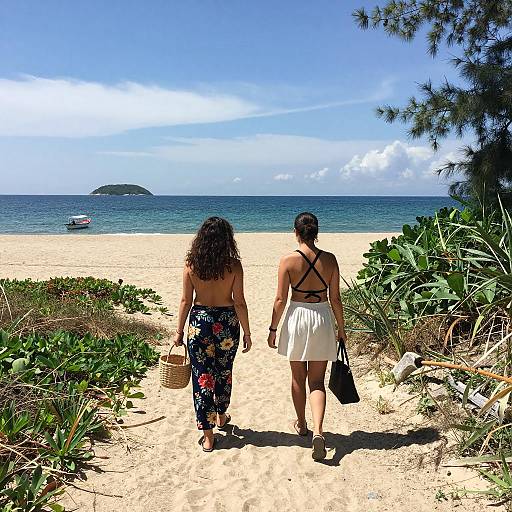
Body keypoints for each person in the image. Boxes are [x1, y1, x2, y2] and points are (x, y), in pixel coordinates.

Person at [267, 212, 346, 461]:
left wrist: (272, 328)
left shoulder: (288, 261)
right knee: (317, 382)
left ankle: (302, 424)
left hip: (298, 316)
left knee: (297, 377)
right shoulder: (331, 260)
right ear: (316, 232)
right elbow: (335, 299)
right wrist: (341, 329)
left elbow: (280, 300)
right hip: (322, 317)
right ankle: (319, 431)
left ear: (296, 232)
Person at [174, 217, 252, 452]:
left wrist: (179, 331)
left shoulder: (191, 264)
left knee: (202, 378)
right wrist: (247, 332)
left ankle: (208, 436)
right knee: (223, 372)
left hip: (199, 324)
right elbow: (239, 302)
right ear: (227, 239)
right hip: (227, 323)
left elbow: (186, 300)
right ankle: (220, 415)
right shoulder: (234, 265)